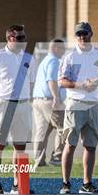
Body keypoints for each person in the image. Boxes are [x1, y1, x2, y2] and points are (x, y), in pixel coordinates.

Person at [58, 22, 98, 194]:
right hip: (75, 103)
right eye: (79, 34)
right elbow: (63, 81)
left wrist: (96, 82)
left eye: (85, 33)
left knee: (90, 145)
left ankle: (86, 184)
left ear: (91, 34)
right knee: (70, 144)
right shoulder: (70, 56)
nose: (82, 37)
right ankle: (66, 183)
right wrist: (80, 85)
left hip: (94, 104)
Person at [0, 24, 36, 194]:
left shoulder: (29, 58)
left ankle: (17, 183)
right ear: (9, 38)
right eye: (19, 38)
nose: (23, 41)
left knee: (20, 146)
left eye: (24, 37)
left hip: (23, 104)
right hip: (4, 104)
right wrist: (1, 94)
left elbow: (31, 81)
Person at [32, 38, 66, 168]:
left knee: (42, 131)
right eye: (62, 48)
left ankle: (38, 160)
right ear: (56, 48)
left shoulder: (44, 61)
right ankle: (57, 157)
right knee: (63, 128)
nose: (63, 51)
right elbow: (51, 80)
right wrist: (56, 97)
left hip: (38, 100)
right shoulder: (54, 61)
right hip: (49, 101)